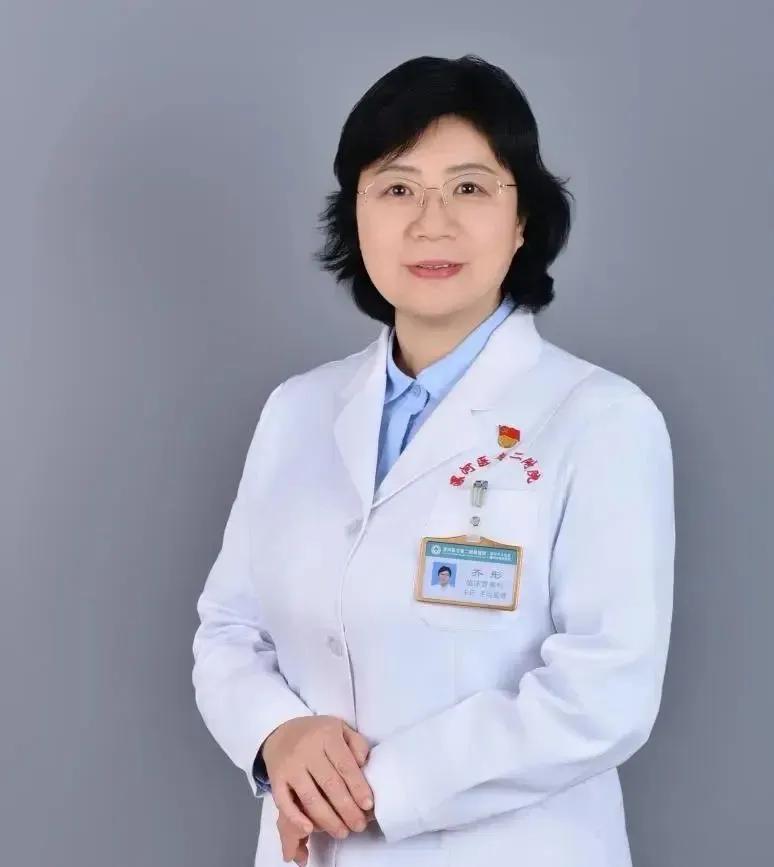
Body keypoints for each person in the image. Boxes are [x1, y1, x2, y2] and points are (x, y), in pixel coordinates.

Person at [192, 53, 675, 867]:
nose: (431, 223)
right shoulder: (296, 411)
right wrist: (277, 733)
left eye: (470, 188)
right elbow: (228, 630)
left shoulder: (602, 419)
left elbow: (606, 688)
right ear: (356, 216)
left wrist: (377, 787)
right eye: (397, 189)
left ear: (522, 221)